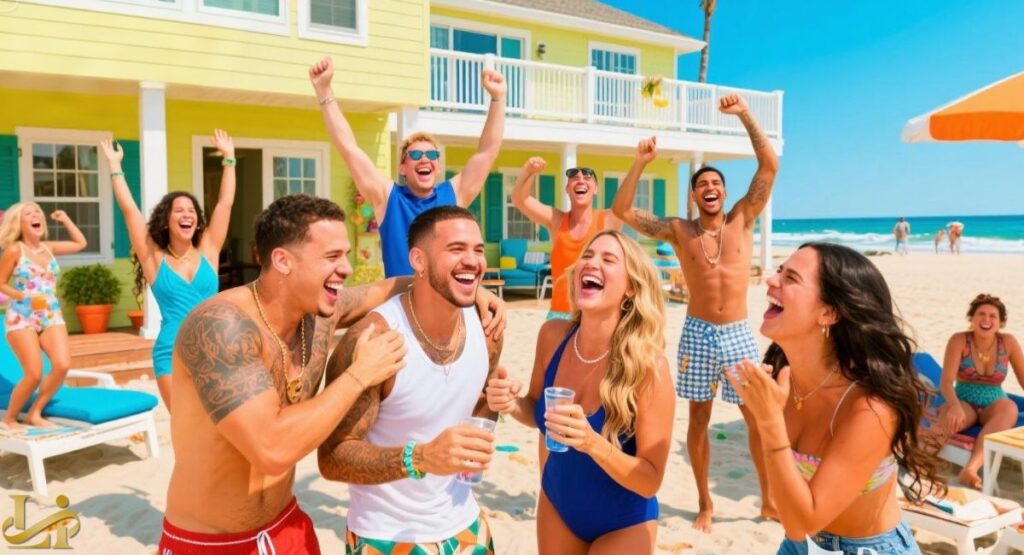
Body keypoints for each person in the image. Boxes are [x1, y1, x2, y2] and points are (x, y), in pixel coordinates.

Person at [159, 195, 505, 554]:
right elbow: (271, 449)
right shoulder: (222, 327)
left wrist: (469, 285)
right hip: (208, 542)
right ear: (283, 261)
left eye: (346, 255)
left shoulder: (321, 315)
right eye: (332, 257)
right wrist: (359, 374)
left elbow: (395, 285)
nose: (347, 268)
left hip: (287, 525)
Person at [611, 94, 779, 532]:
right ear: (695, 194)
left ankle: (767, 497)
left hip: (739, 333)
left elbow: (768, 166)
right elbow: (622, 211)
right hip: (699, 333)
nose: (710, 189)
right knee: (698, 419)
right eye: (702, 185)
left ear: (724, 191)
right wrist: (641, 163)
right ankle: (705, 503)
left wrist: (744, 114)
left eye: (716, 184)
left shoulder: (743, 218)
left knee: (756, 417)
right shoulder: (679, 231)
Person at [726, 242, 944, 554]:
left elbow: (803, 521)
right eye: (779, 272)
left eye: (791, 278)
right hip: (801, 546)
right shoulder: (781, 380)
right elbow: (783, 502)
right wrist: (759, 413)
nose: (772, 281)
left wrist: (770, 420)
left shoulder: (871, 408)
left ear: (828, 312)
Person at [319, 206, 503, 554]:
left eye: (478, 250)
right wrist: (420, 458)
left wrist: (492, 401)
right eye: (456, 249)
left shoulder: (487, 327)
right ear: (418, 260)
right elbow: (332, 459)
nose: (473, 260)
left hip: (467, 525)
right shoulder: (373, 340)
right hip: (387, 537)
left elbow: (477, 412)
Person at [486, 230, 675, 554]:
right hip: (558, 505)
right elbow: (534, 411)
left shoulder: (649, 367)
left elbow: (651, 479)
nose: (592, 263)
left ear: (630, 287)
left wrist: (592, 443)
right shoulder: (552, 336)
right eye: (587, 255)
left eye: (608, 259)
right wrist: (509, 403)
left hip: (624, 521)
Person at [310, 56, 506, 278]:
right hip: (401, 305)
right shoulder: (388, 198)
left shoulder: (453, 194)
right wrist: (324, 91)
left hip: (445, 304)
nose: (424, 159)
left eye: (431, 154)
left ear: (438, 167)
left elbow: (487, 152)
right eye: (415, 154)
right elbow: (349, 149)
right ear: (402, 168)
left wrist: (498, 98)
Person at [100, 131, 236, 412]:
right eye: (178, 211)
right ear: (166, 220)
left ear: (197, 220)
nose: (187, 214)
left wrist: (229, 160)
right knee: (183, 427)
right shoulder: (154, 259)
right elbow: (130, 211)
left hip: (213, 348)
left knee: (217, 426)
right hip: (170, 351)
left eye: (191, 210)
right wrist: (115, 167)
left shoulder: (208, 250)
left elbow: (225, 204)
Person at [0, 203, 87, 430]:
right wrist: (17, 294)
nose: (36, 215)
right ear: (19, 223)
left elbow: (81, 243)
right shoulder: (14, 250)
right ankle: (9, 418)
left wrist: (66, 218)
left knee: (62, 364)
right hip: (22, 317)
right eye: (29, 213)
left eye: (38, 212)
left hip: (50, 314)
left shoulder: (49, 248)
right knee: (34, 374)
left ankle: (34, 412)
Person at [511, 157, 622, 319]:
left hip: (595, 315)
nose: (580, 180)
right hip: (559, 315)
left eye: (587, 177)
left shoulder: (607, 220)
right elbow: (520, 199)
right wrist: (528, 171)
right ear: (567, 189)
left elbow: (625, 204)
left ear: (596, 189)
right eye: (574, 178)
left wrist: (640, 162)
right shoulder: (556, 220)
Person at [939, 294, 1024, 489]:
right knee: (950, 419)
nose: (986, 319)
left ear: (1000, 322)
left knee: (1009, 407)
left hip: (993, 405)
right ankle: (919, 459)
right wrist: (953, 406)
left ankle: (969, 470)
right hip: (963, 402)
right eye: (981, 314)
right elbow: (946, 381)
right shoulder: (959, 340)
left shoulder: (1008, 343)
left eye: (993, 316)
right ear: (972, 318)